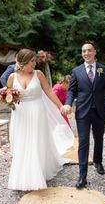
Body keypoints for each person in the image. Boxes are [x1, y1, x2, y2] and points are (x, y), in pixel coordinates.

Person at [7, 49, 74, 191]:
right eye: (32, 61)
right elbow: (8, 95)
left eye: (34, 60)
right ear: (23, 62)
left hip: (37, 111)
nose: (35, 63)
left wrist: (60, 106)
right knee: (22, 142)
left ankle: (37, 173)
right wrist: (7, 99)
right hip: (20, 115)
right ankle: (22, 173)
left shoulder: (38, 74)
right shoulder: (12, 77)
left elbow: (49, 91)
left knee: (35, 141)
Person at [61, 40, 105, 189]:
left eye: (89, 50)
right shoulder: (76, 71)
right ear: (82, 53)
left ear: (94, 52)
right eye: (84, 51)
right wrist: (68, 103)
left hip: (99, 110)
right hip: (83, 111)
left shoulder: (103, 70)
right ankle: (82, 175)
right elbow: (72, 90)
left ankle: (98, 162)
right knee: (83, 142)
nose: (86, 53)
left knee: (98, 138)